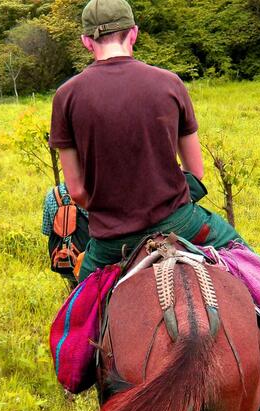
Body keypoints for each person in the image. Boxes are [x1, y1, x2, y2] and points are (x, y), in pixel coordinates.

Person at [49, 0, 248, 283]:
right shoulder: (170, 83)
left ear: (86, 41)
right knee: (249, 264)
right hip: (180, 223)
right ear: (133, 33)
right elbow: (196, 171)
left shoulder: (65, 96)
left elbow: (78, 191)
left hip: (112, 241)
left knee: (79, 316)